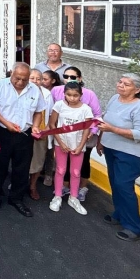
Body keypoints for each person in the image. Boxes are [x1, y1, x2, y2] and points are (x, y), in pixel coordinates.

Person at [97, 73, 140, 242]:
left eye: (126, 84)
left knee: (123, 185)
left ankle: (134, 227)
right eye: (120, 82)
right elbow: (105, 122)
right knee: (115, 183)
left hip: (130, 153)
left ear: (138, 90)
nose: (120, 85)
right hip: (111, 148)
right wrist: (101, 141)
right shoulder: (115, 98)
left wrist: (113, 130)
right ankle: (120, 214)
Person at [0, 62, 46, 217]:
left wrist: (36, 126)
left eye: (24, 79)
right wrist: (6, 123)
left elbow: (39, 111)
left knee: (22, 168)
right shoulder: (0, 85)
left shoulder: (34, 90)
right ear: (11, 74)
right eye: (17, 78)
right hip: (2, 132)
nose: (20, 82)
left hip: (24, 135)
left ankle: (16, 198)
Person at [51, 66, 102, 201]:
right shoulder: (56, 91)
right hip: (62, 137)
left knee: (80, 165)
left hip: (82, 137)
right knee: (61, 167)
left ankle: (80, 190)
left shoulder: (89, 96)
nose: (68, 79)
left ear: (79, 79)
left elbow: (97, 115)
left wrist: (93, 131)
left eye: (72, 77)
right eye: (66, 76)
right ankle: (62, 189)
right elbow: (52, 117)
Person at [48, 82, 92, 216]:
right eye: (69, 95)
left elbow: (86, 129)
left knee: (76, 172)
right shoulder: (59, 105)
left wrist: (80, 146)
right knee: (61, 170)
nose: (72, 98)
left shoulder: (86, 109)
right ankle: (57, 197)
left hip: (77, 145)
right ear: (64, 94)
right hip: (61, 143)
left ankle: (73, 198)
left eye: (75, 95)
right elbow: (52, 124)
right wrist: (60, 143)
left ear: (81, 95)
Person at [28, 69, 55, 201]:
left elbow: (50, 113)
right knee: (22, 159)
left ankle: (33, 186)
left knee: (38, 161)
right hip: (24, 131)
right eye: (32, 78)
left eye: (38, 79)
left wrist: (47, 129)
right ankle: (20, 183)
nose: (35, 81)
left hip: (41, 132)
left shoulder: (46, 94)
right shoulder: (22, 91)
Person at [39, 70, 62, 188]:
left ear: (53, 81)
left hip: (49, 126)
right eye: (40, 79)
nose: (42, 81)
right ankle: (38, 171)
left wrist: (48, 128)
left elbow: (51, 113)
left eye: (45, 79)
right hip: (37, 127)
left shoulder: (53, 93)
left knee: (49, 151)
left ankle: (48, 174)